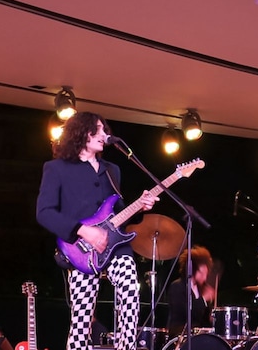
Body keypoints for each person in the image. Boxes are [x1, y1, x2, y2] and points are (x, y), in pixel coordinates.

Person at [36, 112, 158, 350]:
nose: (105, 135)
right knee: (82, 318)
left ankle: (126, 347)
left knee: (130, 292)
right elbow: (44, 212)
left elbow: (118, 211)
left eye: (105, 130)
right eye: (99, 129)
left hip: (116, 246)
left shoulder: (112, 170)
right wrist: (82, 230)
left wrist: (140, 206)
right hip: (79, 248)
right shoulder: (56, 168)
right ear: (82, 133)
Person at [166, 245, 216, 338]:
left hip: (198, 336)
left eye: (206, 274)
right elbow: (185, 313)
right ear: (193, 269)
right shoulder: (177, 286)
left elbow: (203, 318)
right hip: (180, 335)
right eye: (202, 273)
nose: (205, 278)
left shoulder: (201, 289)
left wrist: (212, 317)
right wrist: (203, 299)